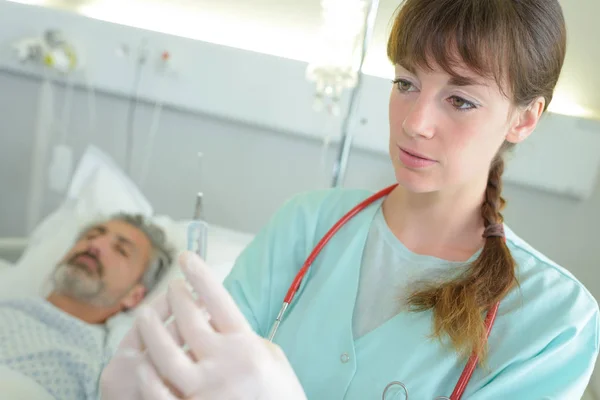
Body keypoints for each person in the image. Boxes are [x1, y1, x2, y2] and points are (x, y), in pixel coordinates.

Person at [101, 0, 600, 399]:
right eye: (406, 83)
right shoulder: (307, 224)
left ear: (524, 118)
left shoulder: (555, 320)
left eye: (460, 100)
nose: (414, 122)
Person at [0, 213, 174, 400]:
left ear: (134, 296)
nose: (94, 246)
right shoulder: (10, 306)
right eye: (90, 236)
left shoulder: (103, 365)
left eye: (121, 250)